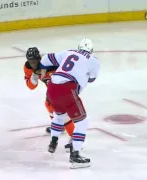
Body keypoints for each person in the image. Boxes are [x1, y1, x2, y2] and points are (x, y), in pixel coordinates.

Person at [39, 38, 100, 168]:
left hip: (52, 87)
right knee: (82, 122)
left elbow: (45, 59)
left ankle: (53, 142)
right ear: (91, 50)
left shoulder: (68, 52)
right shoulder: (93, 60)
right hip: (67, 89)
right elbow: (92, 78)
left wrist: (43, 72)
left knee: (60, 115)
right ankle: (75, 156)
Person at [23, 47, 75, 150]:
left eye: (34, 61)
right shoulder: (28, 67)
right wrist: (34, 75)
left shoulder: (50, 62)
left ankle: (75, 138)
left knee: (63, 114)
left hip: (64, 87)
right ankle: (58, 127)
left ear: (39, 59)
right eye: (30, 61)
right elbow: (31, 86)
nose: (32, 64)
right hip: (53, 90)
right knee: (49, 105)